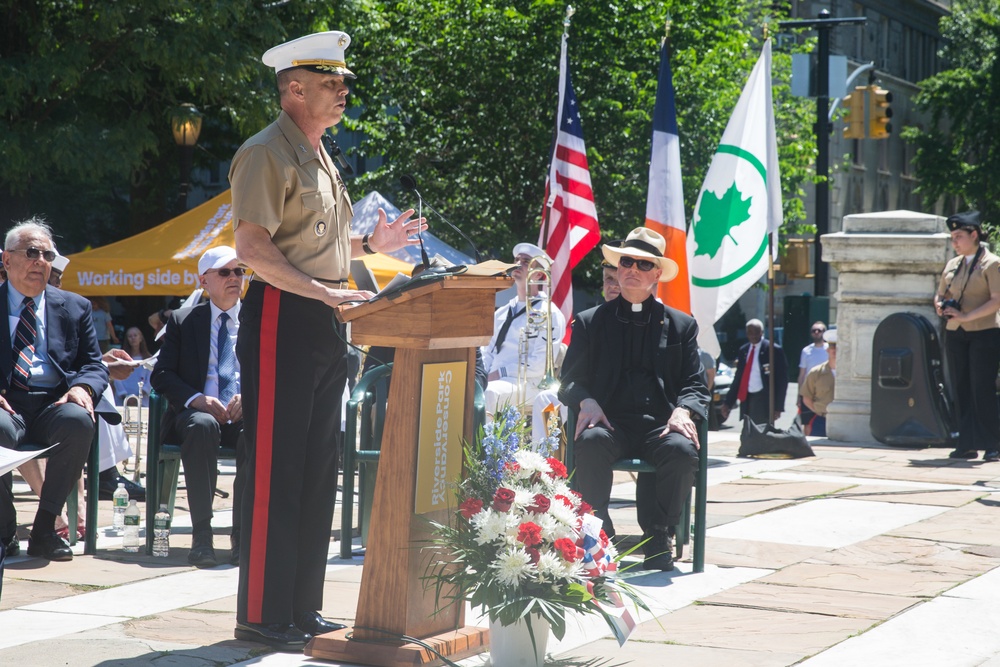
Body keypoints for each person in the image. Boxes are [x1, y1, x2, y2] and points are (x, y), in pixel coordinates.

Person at [228, 30, 426, 651]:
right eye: (331, 82)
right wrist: (323, 293)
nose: (343, 91)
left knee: (316, 470)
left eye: (343, 82)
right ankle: (262, 614)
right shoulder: (267, 152)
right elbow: (253, 249)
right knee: (275, 468)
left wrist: (373, 248)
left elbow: (320, 249)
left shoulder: (318, 153)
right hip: (284, 314)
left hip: (324, 316)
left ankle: (302, 608)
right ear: (294, 89)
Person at [559, 227, 709, 571]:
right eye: (626, 261)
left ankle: (659, 533)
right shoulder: (588, 323)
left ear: (657, 274)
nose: (632, 270)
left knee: (683, 450)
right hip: (611, 424)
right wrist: (587, 401)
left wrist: (682, 410)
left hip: (659, 426)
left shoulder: (682, 325)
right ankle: (600, 530)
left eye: (643, 265)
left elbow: (695, 384)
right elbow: (568, 382)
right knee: (591, 441)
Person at [0, 218, 109, 562]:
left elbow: (94, 365)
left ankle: (45, 529)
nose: (40, 262)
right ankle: (4, 530)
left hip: (53, 403)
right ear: (6, 259)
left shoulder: (74, 307)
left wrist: (83, 389)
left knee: (78, 421)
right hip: (6, 404)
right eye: (31, 252)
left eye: (48, 255)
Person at [151, 246, 245, 568]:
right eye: (224, 272)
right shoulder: (183, 320)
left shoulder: (255, 320)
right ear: (204, 280)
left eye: (238, 271)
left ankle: (242, 537)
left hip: (243, 413)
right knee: (202, 425)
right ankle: (202, 535)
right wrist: (197, 399)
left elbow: (277, 370)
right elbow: (161, 375)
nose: (234, 278)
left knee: (259, 432)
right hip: (196, 414)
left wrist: (250, 398)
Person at [935, 210, 1000, 461]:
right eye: (952, 237)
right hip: (956, 333)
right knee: (960, 387)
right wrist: (940, 305)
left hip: (984, 332)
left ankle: (993, 443)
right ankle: (967, 442)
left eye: (959, 236)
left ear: (974, 235)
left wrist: (965, 317)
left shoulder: (992, 263)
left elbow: (996, 301)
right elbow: (940, 293)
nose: (955, 242)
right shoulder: (953, 264)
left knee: (981, 388)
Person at [482, 242, 567, 429]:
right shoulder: (502, 312)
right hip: (496, 379)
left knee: (487, 393)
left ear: (538, 274)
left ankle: (484, 455)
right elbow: (487, 350)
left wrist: (500, 373)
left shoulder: (549, 313)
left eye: (526, 261)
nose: (518, 264)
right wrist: (482, 375)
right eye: (516, 260)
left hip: (530, 383)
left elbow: (539, 365)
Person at [720, 319, 788, 426]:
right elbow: (738, 378)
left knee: (763, 434)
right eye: (750, 332)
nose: (753, 335)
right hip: (747, 398)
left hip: (764, 398)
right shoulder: (744, 350)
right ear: (746, 333)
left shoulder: (773, 349)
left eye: (756, 332)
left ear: (762, 332)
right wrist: (728, 403)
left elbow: (782, 381)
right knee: (748, 433)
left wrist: (778, 407)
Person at [800, 329, 837, 437]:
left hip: (844, 421)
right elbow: (806, 397)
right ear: (827, 350)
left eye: (838, 347)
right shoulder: (816, 373)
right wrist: (818, 411)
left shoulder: (848, 374)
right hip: (821, 420)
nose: (835, 351)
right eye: (832, 347)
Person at [796, 321, 828, 427]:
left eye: (820, 330)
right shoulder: (806, 351)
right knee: (807, 423)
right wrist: (799, 396)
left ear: (824, 332)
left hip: (825, 391)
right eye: (814, 330)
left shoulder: (830, 350)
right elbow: (801, 375)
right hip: (809, 391)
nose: (817, 332)